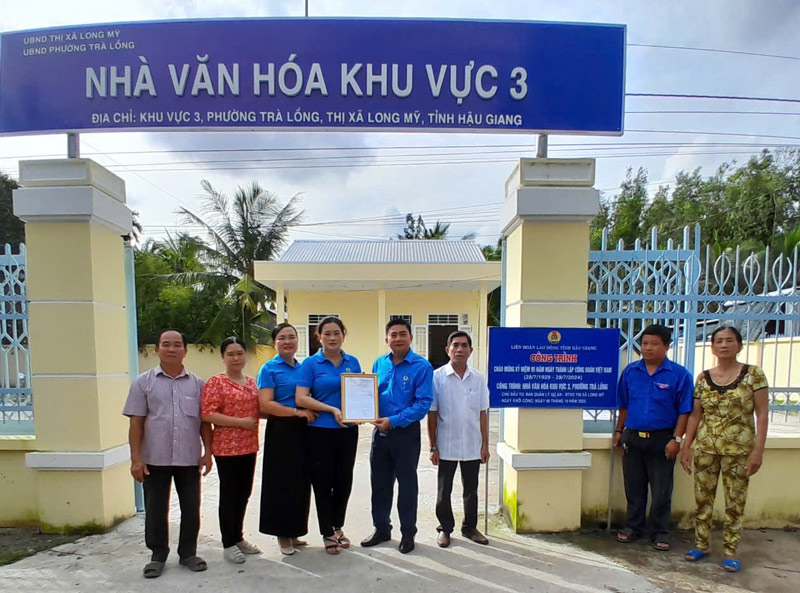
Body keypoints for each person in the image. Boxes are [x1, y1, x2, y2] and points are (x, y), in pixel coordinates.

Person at [123, 329, 212, 579]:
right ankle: (157, 555)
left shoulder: (198, 384)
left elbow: (205, 423)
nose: (171, 349)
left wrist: (209, 452)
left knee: (191, 508)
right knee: (155, 509)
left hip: (189, 457)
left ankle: (188, 553)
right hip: (154, 458)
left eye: (177, 344)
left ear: (185, 350)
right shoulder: (143, 382)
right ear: (157, 350)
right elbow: (136, 423)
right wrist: (136, 458)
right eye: (166, 344)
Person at [680, 326, 769, 573]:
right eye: (718, 341)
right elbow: (695, 415)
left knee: (735, 501)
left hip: (739, 450)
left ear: (739, 345)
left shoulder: (754, 375)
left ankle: (731, 550)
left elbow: (762, 414)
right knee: (702, 498)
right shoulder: (703, 377)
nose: (724, 345)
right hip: (707, 448)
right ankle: (701, 544)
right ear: (712, 347)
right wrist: (687, 447)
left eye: (730, 340)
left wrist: (758, 451)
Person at [613, 323, 693, 551]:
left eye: (654, 344)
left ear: (666, 346)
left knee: (661, 490)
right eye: (645, 343)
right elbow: (624, 405)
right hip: (633, 438)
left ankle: (659, 531)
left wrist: (676, 439)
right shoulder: (631, 372)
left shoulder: (679, 375)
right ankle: (633, 527)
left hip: (663, 440)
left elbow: (684, 411)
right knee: (634, 488)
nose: (648, 348)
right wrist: (619, 431)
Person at [361, 318, 433, 554]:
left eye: (403, 334)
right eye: (393, 334)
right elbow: (370, 395)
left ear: (411, 337)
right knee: (379, 485)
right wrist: (363, 410)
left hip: (405, 435)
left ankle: (408, 534)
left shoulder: (422, 367)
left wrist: (393, 420)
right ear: (386, 339)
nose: (398, 338)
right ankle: (382, 529)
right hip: (379, 434)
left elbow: (423, 404)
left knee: (407, 486)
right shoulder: (379, 364)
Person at [295, 317, 361, 555]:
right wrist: (331, 409)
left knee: (344, 481)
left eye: (337, 333)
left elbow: (359, 392)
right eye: (327, 333)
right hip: (319, 431)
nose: (332, 337)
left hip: (347, 431)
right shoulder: (310, 364)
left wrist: (361, 413)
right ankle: (327, 532)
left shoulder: (352, 362)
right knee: (322, 483)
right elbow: (301, 398)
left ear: (344, 334)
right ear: (318, 336)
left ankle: (338, 526)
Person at [201, 337, 262, 564]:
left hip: (249, 447)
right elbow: (207, 414)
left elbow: (258, 410)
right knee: (229, 495)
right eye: (231, 354)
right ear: (223, 357)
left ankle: (238, 537)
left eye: (240, 353)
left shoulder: (252, 383)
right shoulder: (216, 383)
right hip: (226, 449)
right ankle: (228, 542)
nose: (236, 358)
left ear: (245, 355)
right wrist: (240, 422)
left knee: (244, 494)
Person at [258, 323, 317, 556]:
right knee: (280, 482)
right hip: (281, 429)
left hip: (303, 429)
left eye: (292, 337)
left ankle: (295, 531)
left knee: (300, 482)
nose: (288, 341)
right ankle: (282, 534)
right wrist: (296, 412)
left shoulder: (302, 367)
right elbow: (266, 404)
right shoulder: (269, 368)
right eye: (282, 338)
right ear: (275, 343)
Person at [428, 331, 490, 548]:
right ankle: (445, 528)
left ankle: (470, 527)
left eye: (464, 346)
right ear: (448, 350)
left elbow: (483, 412)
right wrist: (433, 446)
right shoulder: (437, 377)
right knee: (444, 490)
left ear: (471, 351)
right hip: (446, 443)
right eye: (455, 345)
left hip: (473, 443)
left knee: (471, 488)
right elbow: (432, 413)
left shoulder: (479, 378)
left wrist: (485, 444)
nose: (460, 349)